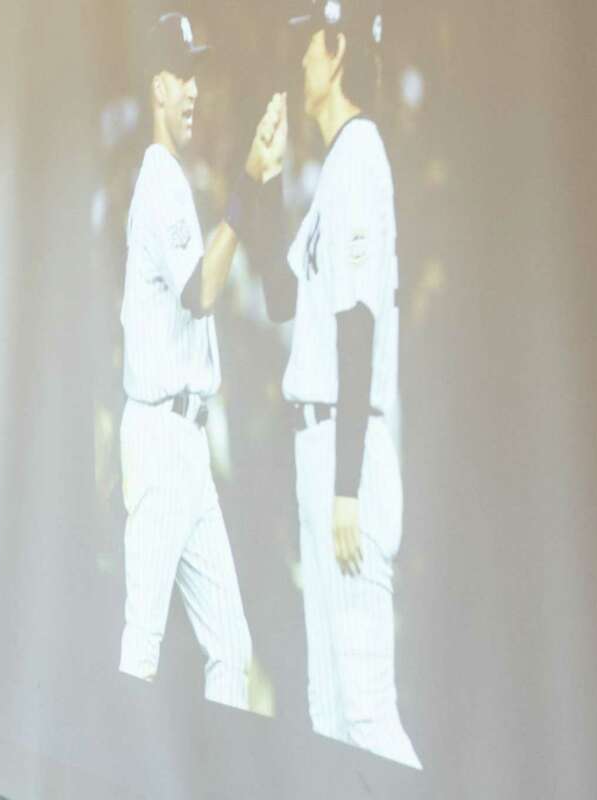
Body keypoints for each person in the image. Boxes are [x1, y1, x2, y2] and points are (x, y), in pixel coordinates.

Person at [235, 0, 421, 767]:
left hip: (352, 449)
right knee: (327, 709)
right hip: (321, 446)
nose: (299, 60)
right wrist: (265, 183)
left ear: (338, 50)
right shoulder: (334, 166)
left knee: (368, 713)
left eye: (307, 45)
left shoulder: (363, 154)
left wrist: (346, 486)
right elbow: (282, 299)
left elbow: (358, 322)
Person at [117, 12, 282, 709]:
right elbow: (203, 290)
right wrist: (248, 178)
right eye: (180, 74)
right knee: (141, 646)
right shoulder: (159, 177)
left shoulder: (171, 176)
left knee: (231, 649)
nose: (191, 89)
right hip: (161, 436)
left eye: (195, 75)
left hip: (183, 439)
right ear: (155, 83)